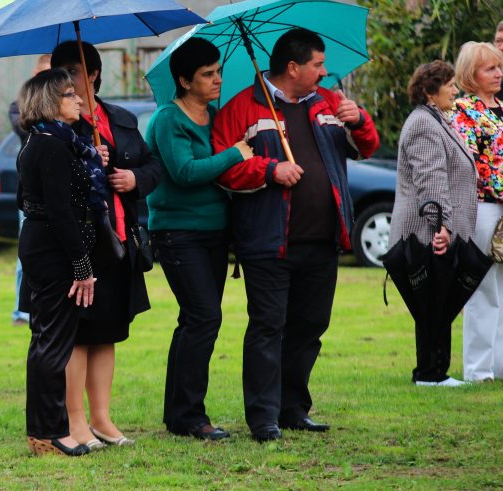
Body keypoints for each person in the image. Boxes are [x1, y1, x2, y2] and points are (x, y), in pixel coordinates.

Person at [211, 27, 379, 442]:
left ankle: (293, 409)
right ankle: (263, 418)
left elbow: (366, 148)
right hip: (268, 241)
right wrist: (270, 169)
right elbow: (221, 166)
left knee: (310, 327)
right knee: (268, 327)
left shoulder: (329, 103)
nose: (324, 72)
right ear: (293, 67)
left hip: (323, 239)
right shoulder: (243, 108)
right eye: (318, 65)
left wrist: (360, 122)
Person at [50, 40, 160, 449]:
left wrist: (134, 180)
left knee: (108, 331)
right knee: (78, 332)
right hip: (79, 244)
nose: (70, 82)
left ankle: (101, 418)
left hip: (118, 238)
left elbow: (152, 167)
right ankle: (75, 421)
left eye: (75, 72)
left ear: (94, 74)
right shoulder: (56, 124)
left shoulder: (122, 119)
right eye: (61, 74)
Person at [145, 37, 253, 440]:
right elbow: (185, 172)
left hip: (214, 233)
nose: (217, 80)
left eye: (218, 72)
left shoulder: (219, 115)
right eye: (207, 74)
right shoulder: (167, 119)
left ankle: (178, 415)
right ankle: (191, 416)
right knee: (205, 317)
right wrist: (235, 154)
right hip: (177, 233)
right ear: (184, 80)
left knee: (193, 320)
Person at [17, 68, 103, 457]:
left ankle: (43, 431)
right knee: (52, 342)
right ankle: (49, 432)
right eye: (70, 94)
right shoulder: (50, 145)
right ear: (50, 102)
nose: (80, 99)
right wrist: (81, 266)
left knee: (47, 339)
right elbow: (60, 211)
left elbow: (28, 200)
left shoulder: (47, 142)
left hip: (43, 244)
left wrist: (87, 163)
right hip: (53, 249)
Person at [390, 61, 474, 387]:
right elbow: (431, 180)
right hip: (427, 231)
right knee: (431, 303)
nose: (455, 89)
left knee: (439, 303)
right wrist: (442, 225)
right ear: (429, 91)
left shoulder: (437, 119)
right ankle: (429, 373)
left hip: (437, 227)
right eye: (449, 84)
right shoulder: (424, 124)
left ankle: (437, 371)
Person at [451, 41, 503, 383]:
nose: (498, 73)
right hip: (483, 206)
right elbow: (463, 163)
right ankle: (478, 370)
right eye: (490, 69)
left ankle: (498, 367)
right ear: (471, 74)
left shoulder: (502, 106)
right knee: (483, 290)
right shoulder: (463, 110)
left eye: (499, 67)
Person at [9, 54, 53, 327]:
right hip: (32, 198)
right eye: (42, 75)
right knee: (26, 255)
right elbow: (24, 127)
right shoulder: (19, 106)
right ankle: (21, 310)